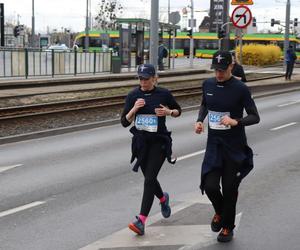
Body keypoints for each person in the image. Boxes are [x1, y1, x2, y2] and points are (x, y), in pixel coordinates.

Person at [194, 51, 260, 243]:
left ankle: (227, 228)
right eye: (216, 70)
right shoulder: (207, 84)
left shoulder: (240, 88)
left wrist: (235, 121)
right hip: (214, 145)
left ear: (231, 67)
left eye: (222, 70)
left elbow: (255, 116)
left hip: (234, 146)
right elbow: (205, 104)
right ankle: (220, 212)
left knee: (230, 187)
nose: (219, 74)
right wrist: (199, 121)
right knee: (210, 186)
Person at [121, 63, 181, 236]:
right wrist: (134, 109)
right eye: (140, 78)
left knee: (149, 180)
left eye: (146, 78)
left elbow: (179, 111)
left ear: (154, 78)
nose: (143, 82)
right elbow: (124, 122)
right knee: (150, 178)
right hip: (141, 144)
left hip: (159, 143)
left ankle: (141, 221)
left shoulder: (163, 93)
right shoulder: (133, 95)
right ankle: (163, 199)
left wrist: (169, 112)